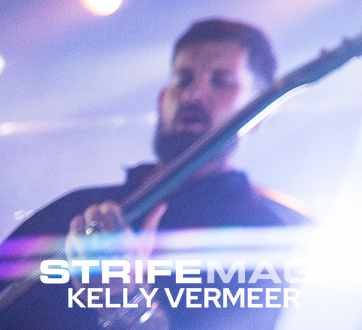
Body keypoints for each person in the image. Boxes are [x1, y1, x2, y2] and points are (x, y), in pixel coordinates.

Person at [1, 19, 309, 330]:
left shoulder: (260, 240)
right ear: (163, 99)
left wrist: (124, 301)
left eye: (221, 81)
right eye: (183, 79)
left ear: (259, 113)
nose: (193, 94)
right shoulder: (75, 207)